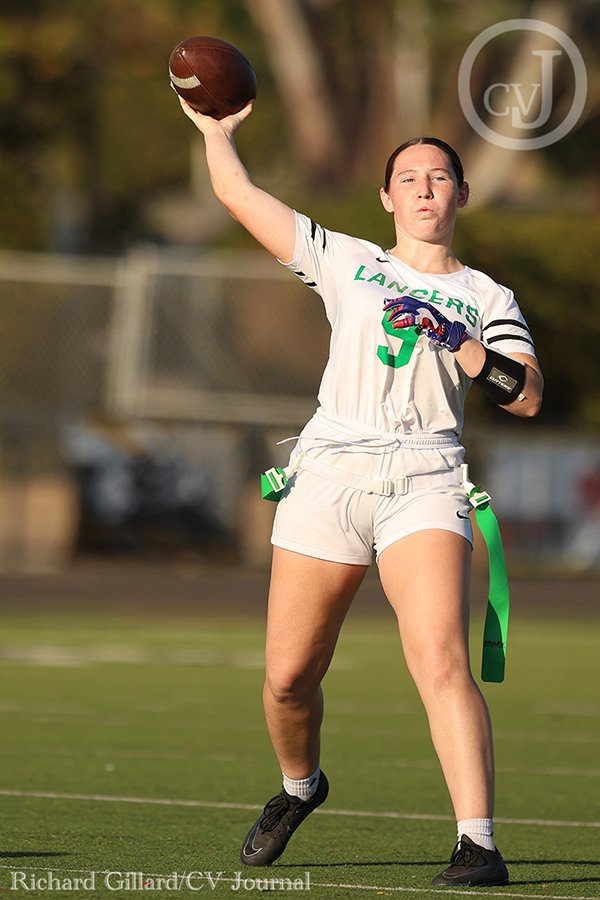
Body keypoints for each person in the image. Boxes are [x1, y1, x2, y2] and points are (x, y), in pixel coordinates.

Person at [178, 96, 543, 888]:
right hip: (331, 471)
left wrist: (464, 344)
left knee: (441, 657)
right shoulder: (348, 259)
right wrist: (215, 134)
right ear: (386, 198)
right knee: (287, 679)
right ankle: (300, 786)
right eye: (408, 177)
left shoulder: (487, 298)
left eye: (439, 176)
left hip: (426, 477)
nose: (423, 188)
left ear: (460, 195)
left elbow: (526, 395)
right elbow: (240, 198)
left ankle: (477, 843)